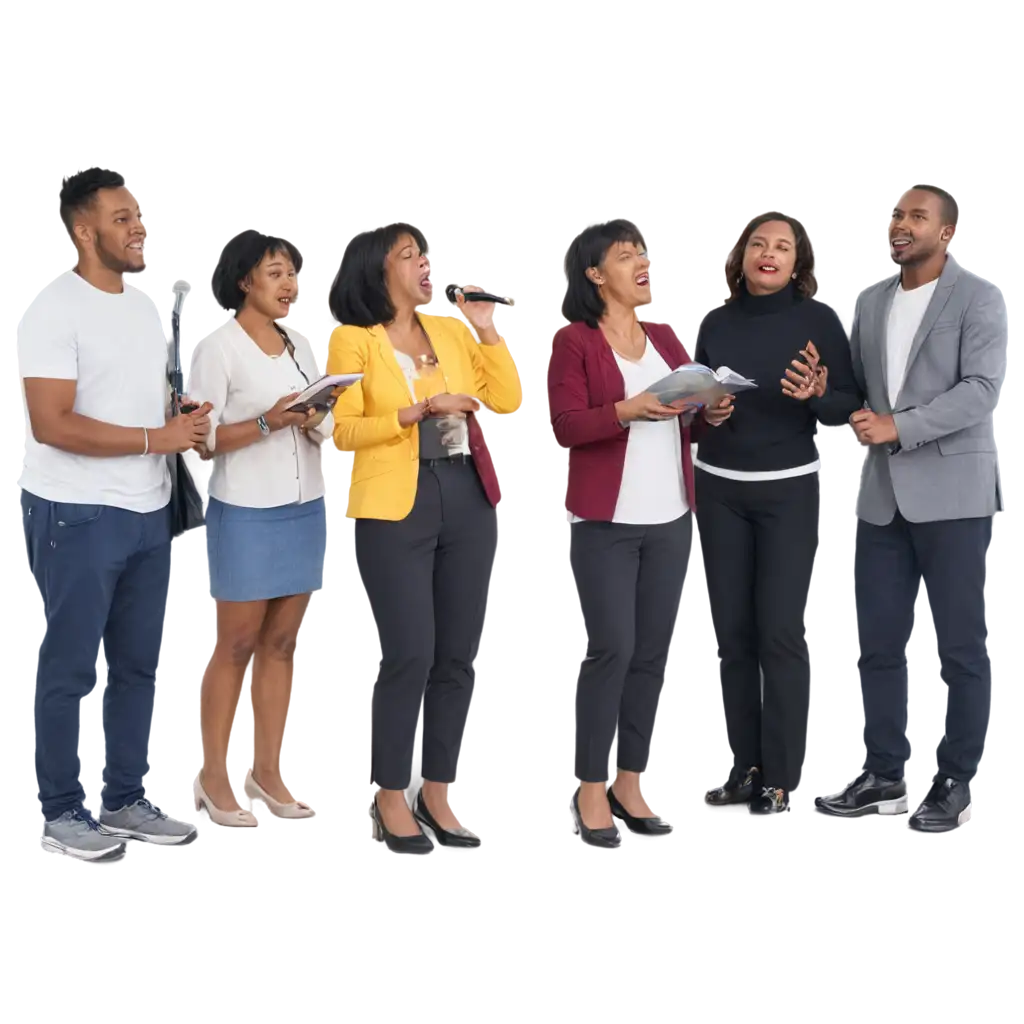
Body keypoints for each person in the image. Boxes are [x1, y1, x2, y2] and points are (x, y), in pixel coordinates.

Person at [16, 160, 205, 862]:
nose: (138, 227)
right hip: (76, 513)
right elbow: (53, 422)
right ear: (82, 226)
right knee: (71, 669)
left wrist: (175, 414)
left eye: (140, 215)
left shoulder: (143, 305)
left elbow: (130, 399)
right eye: (121, 217)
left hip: (148, 509)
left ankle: (126, 800)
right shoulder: (49, 305)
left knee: (136, 667)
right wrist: (159, 437)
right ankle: (62, 814)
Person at [325, 220, 521, 853]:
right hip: (395, 504)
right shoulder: (352, 341)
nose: (424, 264)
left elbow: (507, 399)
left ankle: (438, 790)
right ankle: (388, 794)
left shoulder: (450, 330)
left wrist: (488, 333)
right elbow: (342, 430)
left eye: (424, 254)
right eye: (408, 256)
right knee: (409, 654)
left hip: (465, 493)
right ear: (377, 271)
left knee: (456, 655)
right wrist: (417, 411)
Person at [817, 185, 1007, 833]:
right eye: (896, 214)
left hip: (954, 496)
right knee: (877, 645)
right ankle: (884, 775)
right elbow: (861, 396)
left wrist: (899, 426)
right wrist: (828, 395)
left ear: (946, 233)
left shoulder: (978, 299)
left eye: (916, 216)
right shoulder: (870, 301)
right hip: (881, 500)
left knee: (960, 648)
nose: (901, 225)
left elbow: (980, 393)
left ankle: (954, 778)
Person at [546, 217, 729, 848]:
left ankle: (630, 778)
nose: (642, 262)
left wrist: (713, 410)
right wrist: (629, 409)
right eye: (627, 256)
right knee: (611, 652)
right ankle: (591, 787)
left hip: (670, 517)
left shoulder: (667, 340)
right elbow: (567, 426)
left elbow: (690, 426)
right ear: (596, 275)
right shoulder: (575, 341)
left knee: (651, 655)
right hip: (607, 522)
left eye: (644, 253)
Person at [691, 209, 862, 822]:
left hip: (787, 491)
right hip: (719, 491)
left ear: (797, 263)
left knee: (781, 638)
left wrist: (819, 395)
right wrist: (703, 415)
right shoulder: (714, 323)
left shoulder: (817, 322)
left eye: (782, 246)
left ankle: (781, 779)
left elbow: (849, 405)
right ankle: (744, 771)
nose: (769, 252)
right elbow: (690, 406)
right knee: (732, 638)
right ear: (742, 256)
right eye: (759, 243)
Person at [187, 228, 341, 827]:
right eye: (274, 272)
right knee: (239, 644)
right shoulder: (218, 346)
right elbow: (201, 442)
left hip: (305, 503)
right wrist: (272, 423)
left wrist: (317, 416)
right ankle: (215, 775)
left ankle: (269, 770)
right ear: (245, 279)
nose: (288, 284)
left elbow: (319, 420)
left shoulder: (298, 340)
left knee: (281, 644)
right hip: (247, 509)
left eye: (292, 272)